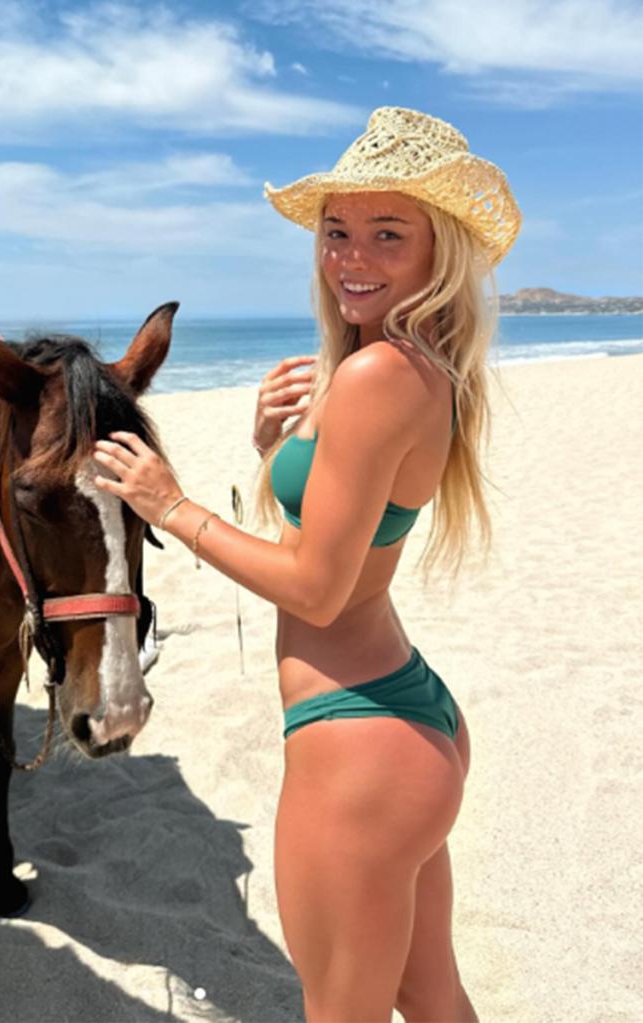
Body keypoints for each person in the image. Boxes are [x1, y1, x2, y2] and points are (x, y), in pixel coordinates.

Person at [92, 107, 521, 1022]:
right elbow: (326, 548)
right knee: (431, 993)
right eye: (337, 232)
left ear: (435, 251)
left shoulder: (374, 378)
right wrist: (271, 447)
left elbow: (317, 591)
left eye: (386, 234)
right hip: (406, 715)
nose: (352, 256)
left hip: (357, 740)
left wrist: (170, 507)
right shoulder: (411, 364)